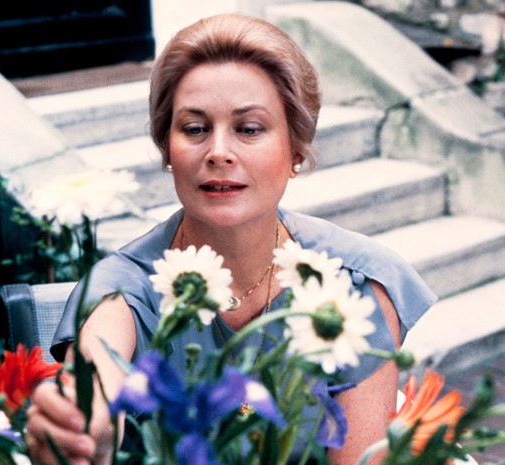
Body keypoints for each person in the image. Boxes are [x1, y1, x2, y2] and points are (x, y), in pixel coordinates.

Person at [25, 13, 435, 465]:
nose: (218, 152)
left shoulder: (356, 283)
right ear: (167, 148)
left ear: (296, 149)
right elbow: (95, 383)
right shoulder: (122, 291)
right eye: (195, 129)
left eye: (249, 129)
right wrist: (84, 427)